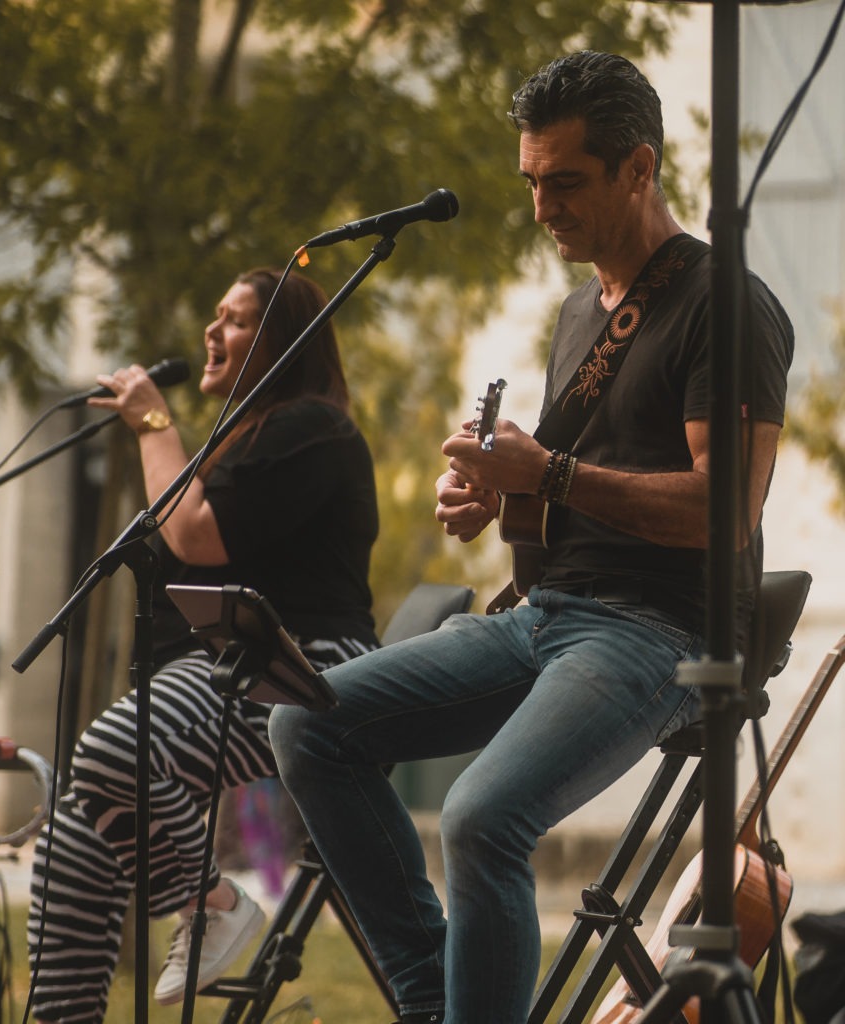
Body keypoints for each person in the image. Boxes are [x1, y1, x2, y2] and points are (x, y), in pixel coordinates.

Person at [269, 50, 794, 1024]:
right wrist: (496, 497)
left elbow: (728, 510)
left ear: (637, 169)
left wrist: (544, 473)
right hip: (545, 614)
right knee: (306, 722)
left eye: (565, 182)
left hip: (656, 632)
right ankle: (439, 995)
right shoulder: (573, 313)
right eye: (529, 182)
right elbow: (573, 494)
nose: (542, 206)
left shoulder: (724, 305)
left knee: (479, 817)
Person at [27, 267, 380, 1023]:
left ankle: (215, 905)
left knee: (109, 754)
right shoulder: (237, 442)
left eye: (236, 320)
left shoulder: (313, 428)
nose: (212, 333)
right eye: (214, 317)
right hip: (228, 670)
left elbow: (195, 535)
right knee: (69, 838)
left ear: (283, 343)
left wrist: (156, 426)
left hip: (310, 668)